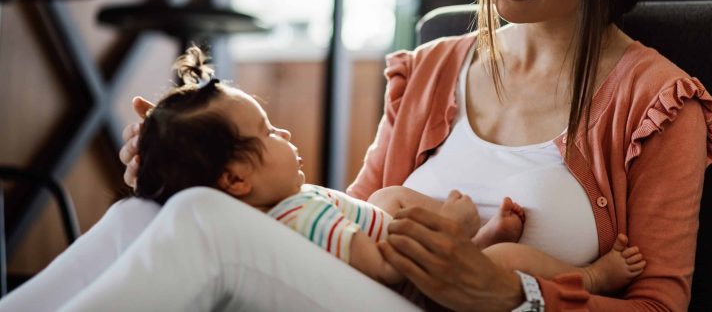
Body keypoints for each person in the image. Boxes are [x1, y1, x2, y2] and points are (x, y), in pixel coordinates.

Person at [0, 0, 712, 310]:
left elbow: (656, 305)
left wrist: (518, 293)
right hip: (376, 291)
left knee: (202, 224)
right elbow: (342, 216)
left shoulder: (657, 104)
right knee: (145, 214)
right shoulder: (436, 64)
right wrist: (199, 163)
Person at [134, 46, 646, 294]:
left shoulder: (284, 211)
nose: (284, 135)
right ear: (236, 181)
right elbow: (382, 270)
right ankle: (592, 277)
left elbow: (356, 217)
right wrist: (456, 230)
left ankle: (480, 243)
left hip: (406, 269)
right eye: (267, 134)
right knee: (510, 256)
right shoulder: (296, 218)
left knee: (389, 197)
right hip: (401, 294)